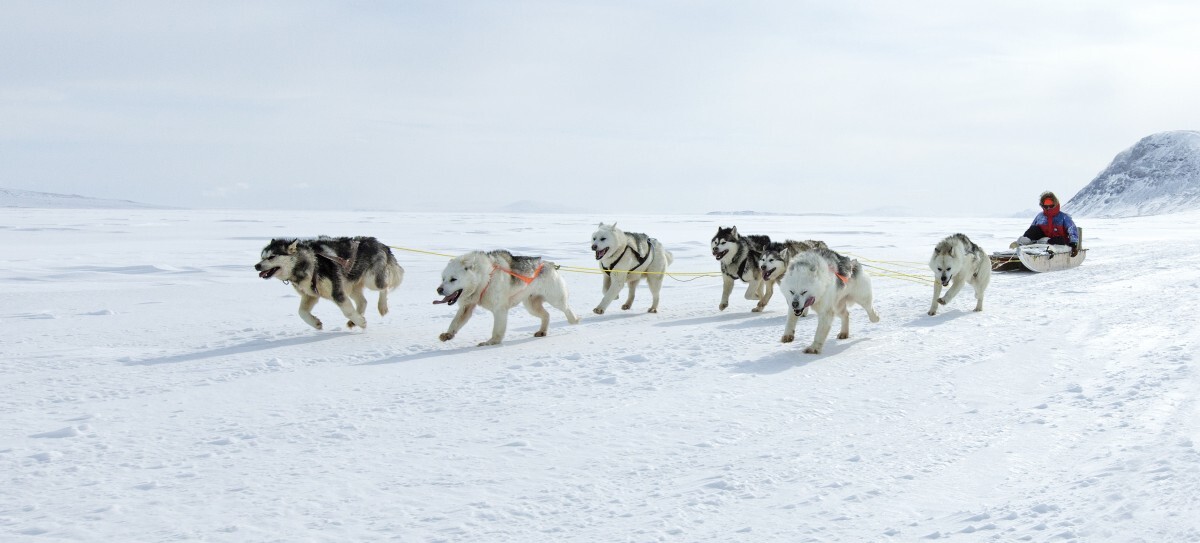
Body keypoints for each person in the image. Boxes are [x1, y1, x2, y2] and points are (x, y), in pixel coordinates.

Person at [1012, 191, 1080, 257]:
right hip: (1044, 241)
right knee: (1034, 229)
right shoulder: (1040, 217)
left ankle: (1048, 251)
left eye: (1051, 206)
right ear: (1042, 205)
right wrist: (1027, 238)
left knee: (1057, 240)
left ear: (1055, 204)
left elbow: (1072, 230)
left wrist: (1073, 244)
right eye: (1046, 206)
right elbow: (1031, 231)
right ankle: (1022, 244)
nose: (1048, 208)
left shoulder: (1063, 217)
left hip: (1060, 241)